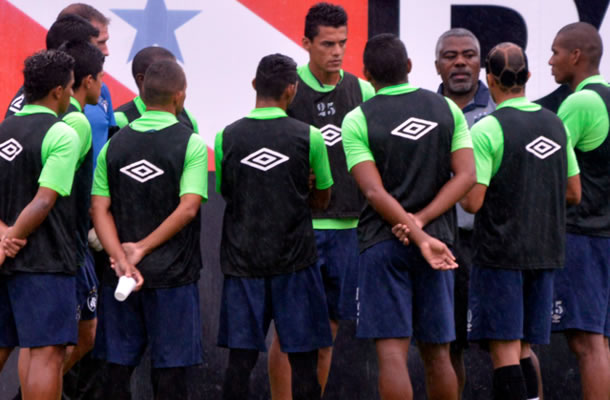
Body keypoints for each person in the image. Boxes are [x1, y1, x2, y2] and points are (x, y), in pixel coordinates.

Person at [342, 33, 475, 400]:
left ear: (367, 74)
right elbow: (466, 176)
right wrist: (424, 224)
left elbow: (373, 192)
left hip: (383, 244)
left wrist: (412, 229)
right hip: (439, 245)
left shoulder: (357, 118)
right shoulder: (447, 109)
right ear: (410, 68)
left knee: (391, 354)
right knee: (437, 352)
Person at [461, 42, 581, 400]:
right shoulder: (556, 124)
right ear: (528, 76)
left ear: (489, 79)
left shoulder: (487, 129)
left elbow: (472, 202)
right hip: (544, 253)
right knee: (525, 347)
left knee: (504, 350)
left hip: (501, 255)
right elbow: (574, 192)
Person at [268, 4, 374, 398]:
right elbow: (265, 149)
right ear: (306, 43)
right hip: (302, 230)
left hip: (349, 229)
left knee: (327, 333)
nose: (337, 51)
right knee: (291, 333)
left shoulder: (361, 90)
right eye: (327, 43)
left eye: (342, 43)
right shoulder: (289, 91)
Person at [216, 53, 333, 400]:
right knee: (304, 362)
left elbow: (228, 192)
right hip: (295, 264)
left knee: (240, 361)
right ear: (292, 90)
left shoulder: (226, 136)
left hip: (242, 263)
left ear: (254, 85)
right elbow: (323, 200)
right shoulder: (310, 137)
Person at [90, 60, 207, 400]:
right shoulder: (192, 144)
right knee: (171, 373)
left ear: (143, 93)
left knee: (115, 371)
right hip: (174, 279)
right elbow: (188, 207)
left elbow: (99, 208)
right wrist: (139, 249)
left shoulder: (114, 144)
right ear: (180, 96)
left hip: (121, 276)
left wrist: (120, 257)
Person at [0, 49, 80, 400]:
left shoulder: (2, 130)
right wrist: (11, 237)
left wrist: (2, 236)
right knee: (47, 356)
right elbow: (44, 200)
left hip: (6, 261)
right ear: (59, 92)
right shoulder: (62, 134)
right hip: (45, 263)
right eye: (72, 87)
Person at [548, 22, 610, 400]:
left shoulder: (580, 102)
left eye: (556, 52)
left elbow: (547, 164)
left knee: (587, 344)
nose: (551, 60)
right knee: (599, 341)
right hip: (602, 235)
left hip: (583, 236)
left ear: (576, 55)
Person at [114, 46, 199, 131]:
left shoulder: (188, 119)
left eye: (175, 71)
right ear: (141, 79)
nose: (175, 78)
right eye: (166, 73)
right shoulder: (120, 120)